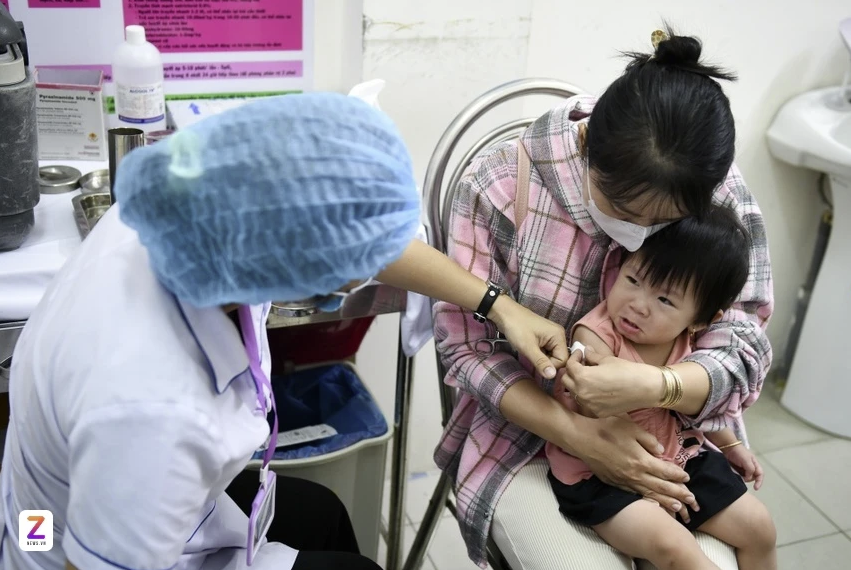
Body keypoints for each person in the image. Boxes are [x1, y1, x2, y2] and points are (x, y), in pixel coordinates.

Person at [0, 93, 568, 570]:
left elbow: (356, 226)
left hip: (83, 502)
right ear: (309, 268)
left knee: (324, 514)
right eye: (355, 265)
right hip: (76, 543)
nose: (371, 265)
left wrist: (498, 305)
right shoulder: (153, 410)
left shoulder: (192, 212)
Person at [432, 27, 773, 569]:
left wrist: (660, 385)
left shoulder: (715, 187)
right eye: (625, 210)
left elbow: (743, 334)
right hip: (527, 437)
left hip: (676, 435)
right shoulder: (501, 185)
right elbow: (467, 348)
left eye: (665, 223)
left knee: (736, 544)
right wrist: (579, 435)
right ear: (588, 143)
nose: (639, 236)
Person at [547, 206, 776, 570]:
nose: (637, 305)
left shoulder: (689, 341)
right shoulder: (596, 335)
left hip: (680, 457)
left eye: (665, 300)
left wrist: (729, 443)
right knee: (675, 548)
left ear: (701, 320)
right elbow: (590, 405)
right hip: (601, 472)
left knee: (759, 527)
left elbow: (695, 406)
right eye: (633, 280)